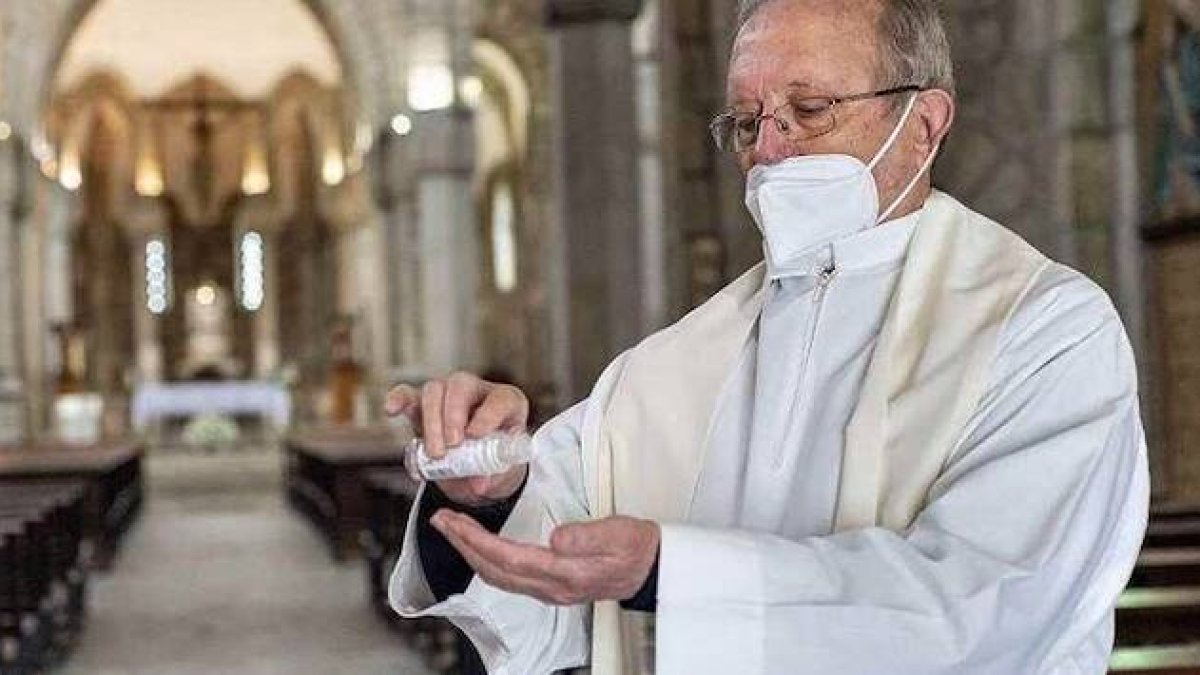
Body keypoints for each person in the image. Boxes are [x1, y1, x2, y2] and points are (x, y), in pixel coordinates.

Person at [385, 0, 1150, 673]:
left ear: (923, 124)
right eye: (747, 123)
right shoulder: (674, 363)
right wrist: (488, 486)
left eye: (810, 108)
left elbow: (985, 607)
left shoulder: (1048, 330)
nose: (771, 151)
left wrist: (670, 569)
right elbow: (548, 538)